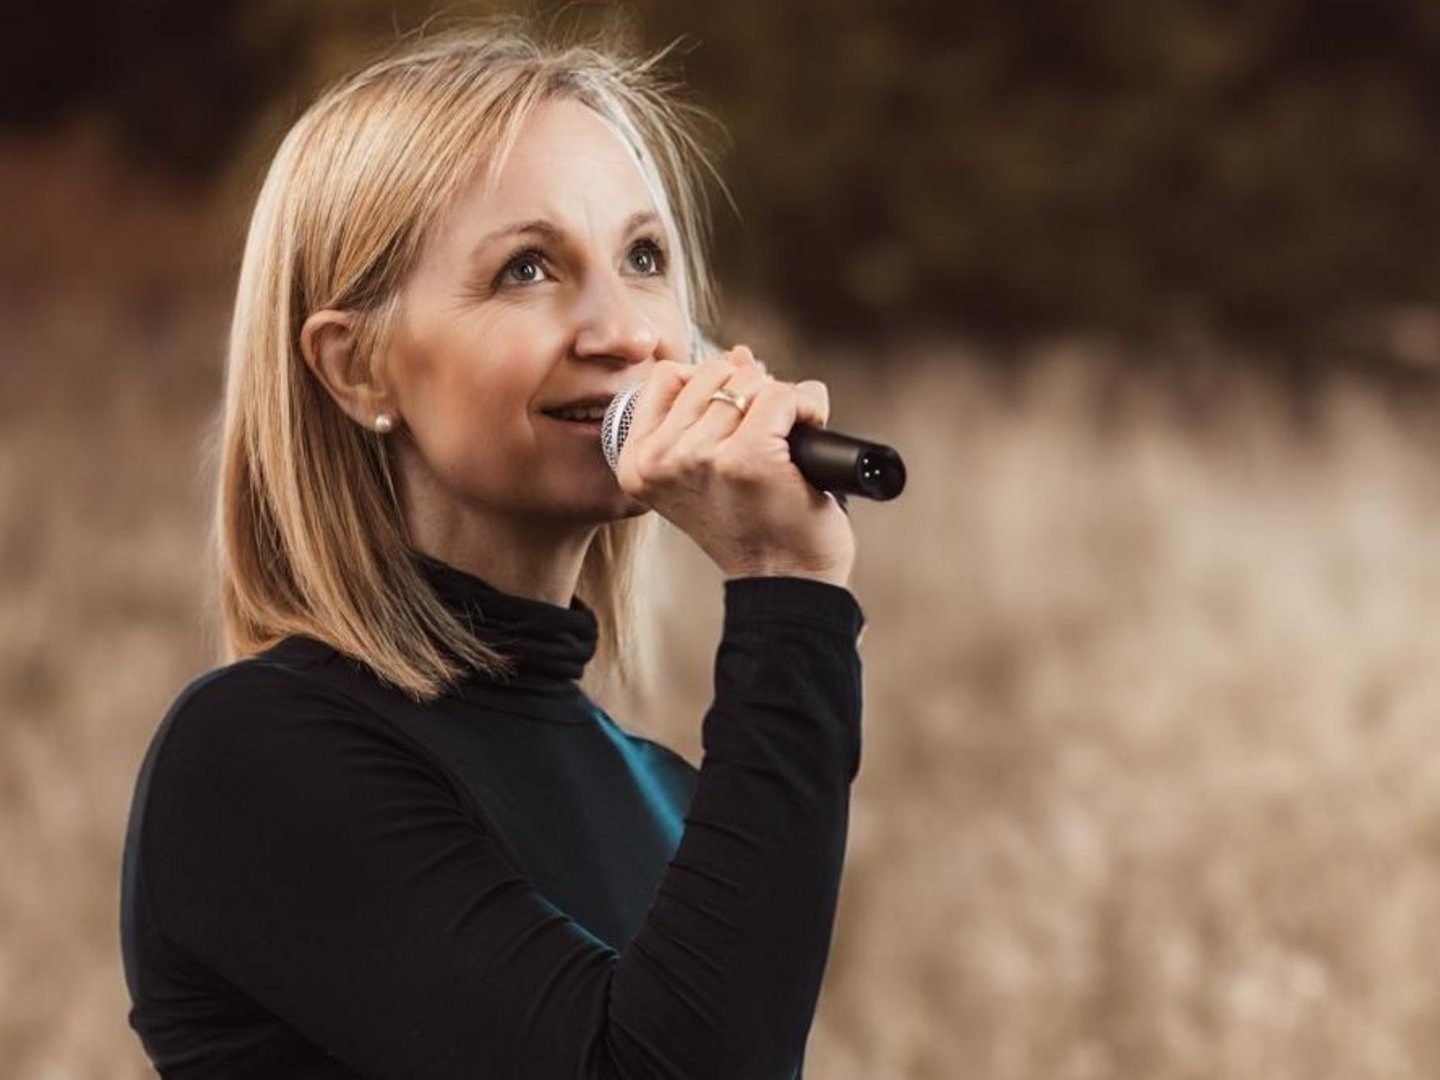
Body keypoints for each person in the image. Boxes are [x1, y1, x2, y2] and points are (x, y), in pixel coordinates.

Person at [120, 20, 864, 1080]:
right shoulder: (255, 755)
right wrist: (786, 591)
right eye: (527, 269)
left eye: (644, 258)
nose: (627, 333)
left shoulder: (667, 789)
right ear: (356, 368)